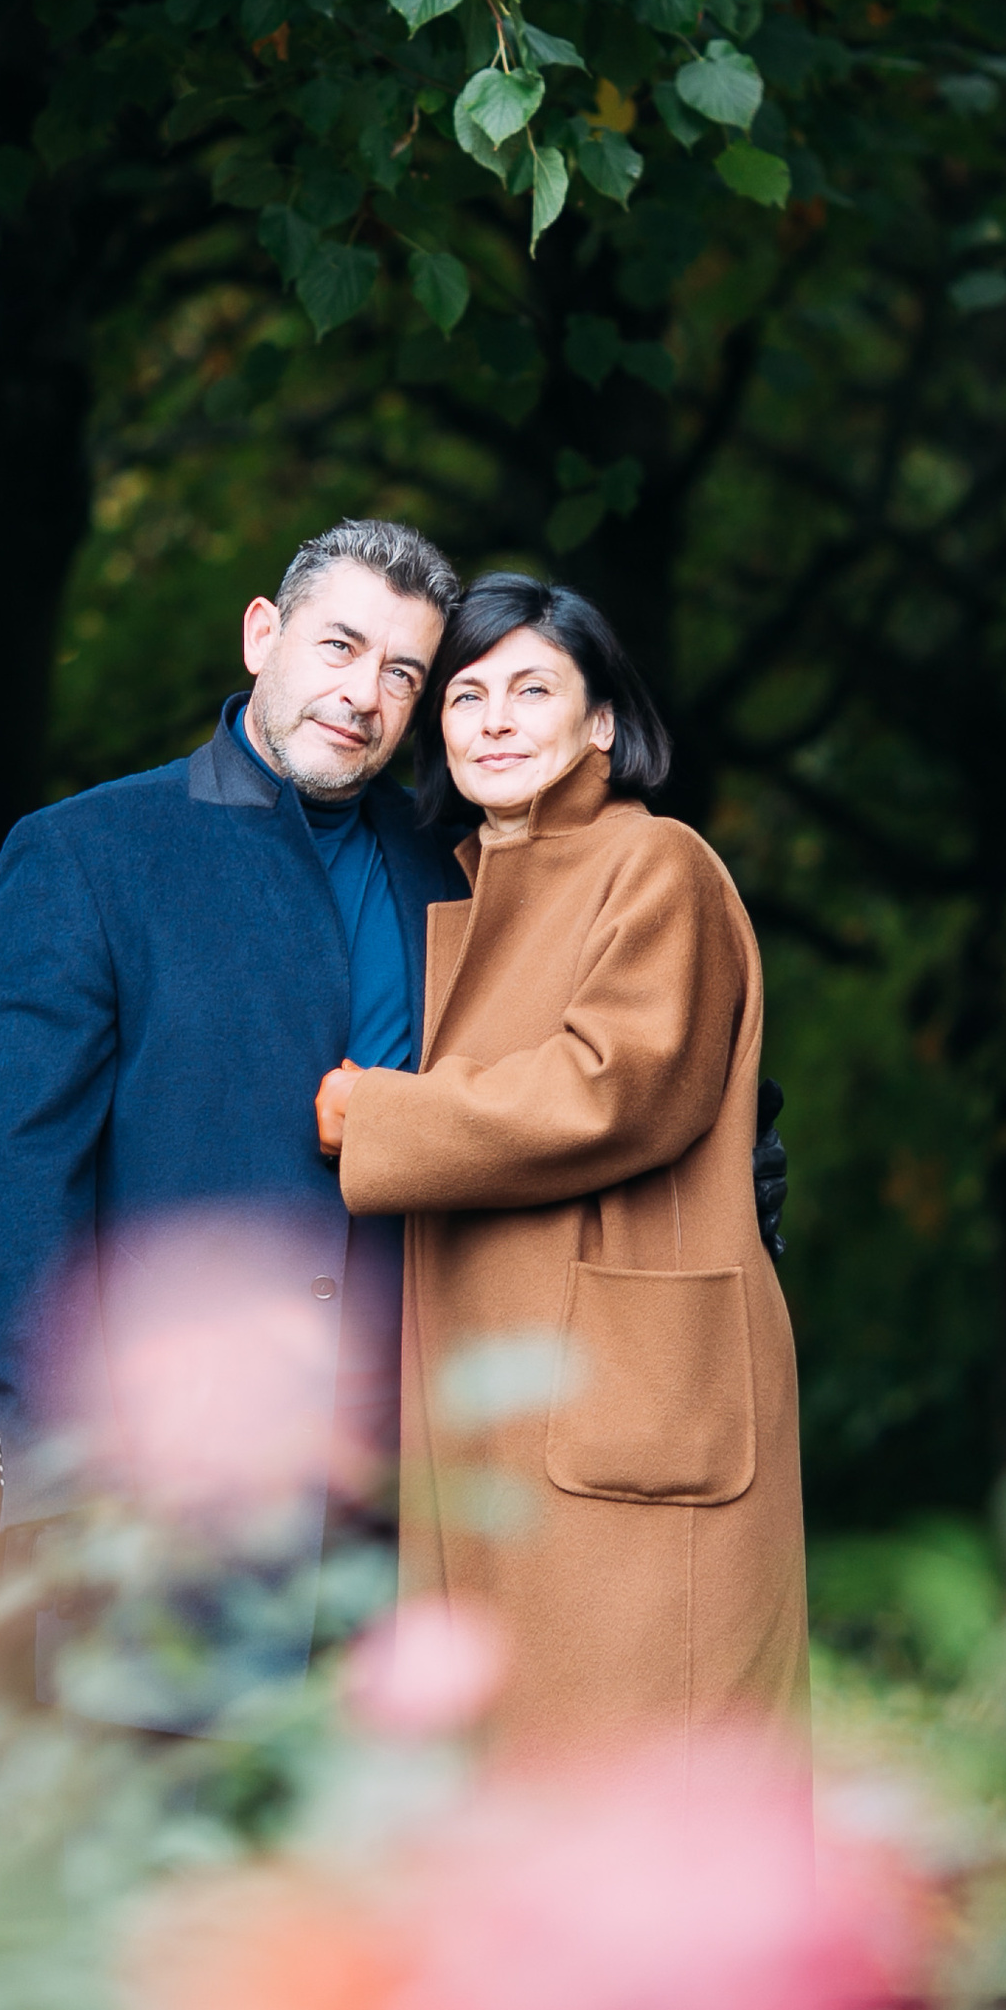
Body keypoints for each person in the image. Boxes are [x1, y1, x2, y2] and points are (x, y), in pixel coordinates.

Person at [0, 518, 468, 1700]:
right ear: (261, 636)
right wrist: (58, 1483)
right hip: (169, 1498)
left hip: (413, 1498)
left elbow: (558, 1076)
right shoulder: (87, 855)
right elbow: (23, 1179)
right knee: (167, 1868)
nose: (364, 695)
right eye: (340, 646)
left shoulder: (456, 865)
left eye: (402, 671)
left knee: (371, 1874)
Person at [318, 576, 809, 1763]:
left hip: (628, 1402)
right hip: (502, 1415)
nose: (491, 718)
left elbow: (612, 1089)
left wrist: (374, 1118)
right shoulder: (466, 884)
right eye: (466, 694)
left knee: (648, 1795)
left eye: (531, 689)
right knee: (512, 1803)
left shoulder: (656, 863)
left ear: (600, 723)